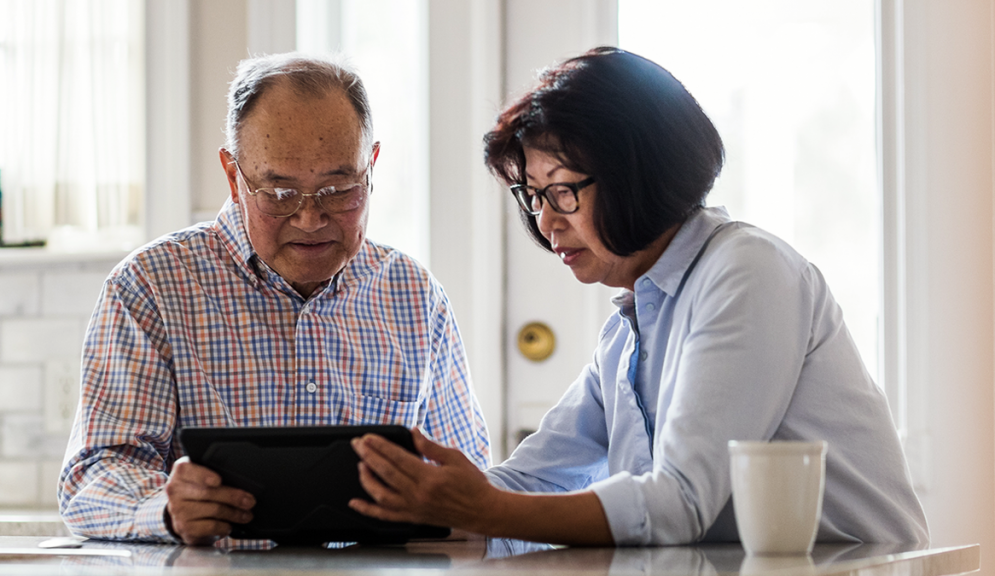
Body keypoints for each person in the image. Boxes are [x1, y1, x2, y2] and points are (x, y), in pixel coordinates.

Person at [348, 47, 929, 547]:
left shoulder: (747, 272)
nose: (547, 223)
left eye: (563, 192)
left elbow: (680, 503)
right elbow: (531, 481)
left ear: (638, 175)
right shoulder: (631, 325)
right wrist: (402, 503)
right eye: (532, 195)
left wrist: (480, 508)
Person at [59, 53, 491, 546]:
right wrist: (165, 507)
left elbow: (469, 482)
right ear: (233, 175)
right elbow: (91, 478)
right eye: (280, 194)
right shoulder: (151, 287)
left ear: (371, 167)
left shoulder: (413, 295)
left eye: (339, 189)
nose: (310, 219)